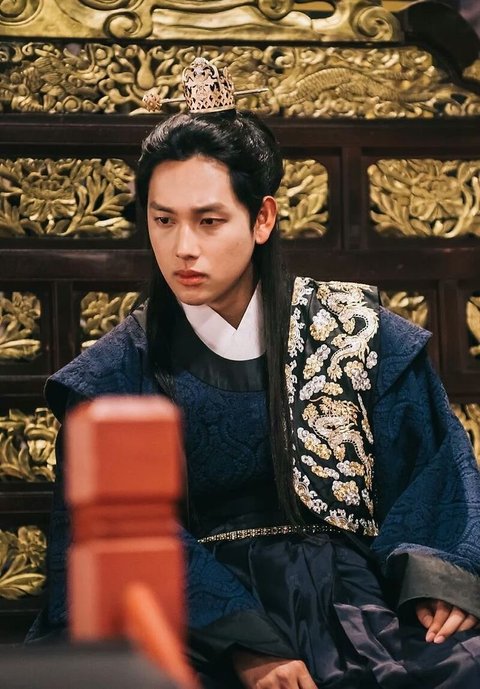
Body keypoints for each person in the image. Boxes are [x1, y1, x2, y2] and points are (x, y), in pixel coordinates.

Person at [28, 58, 480, 688]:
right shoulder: (114, 374)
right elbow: (112, 537)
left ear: (262, 218)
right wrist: (246, 645)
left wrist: (437, 580)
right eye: (163, 220)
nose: (183, 247)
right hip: (197, 619)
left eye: (209, 221)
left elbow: (432, 469)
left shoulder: (355, 333)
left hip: (352, 601)